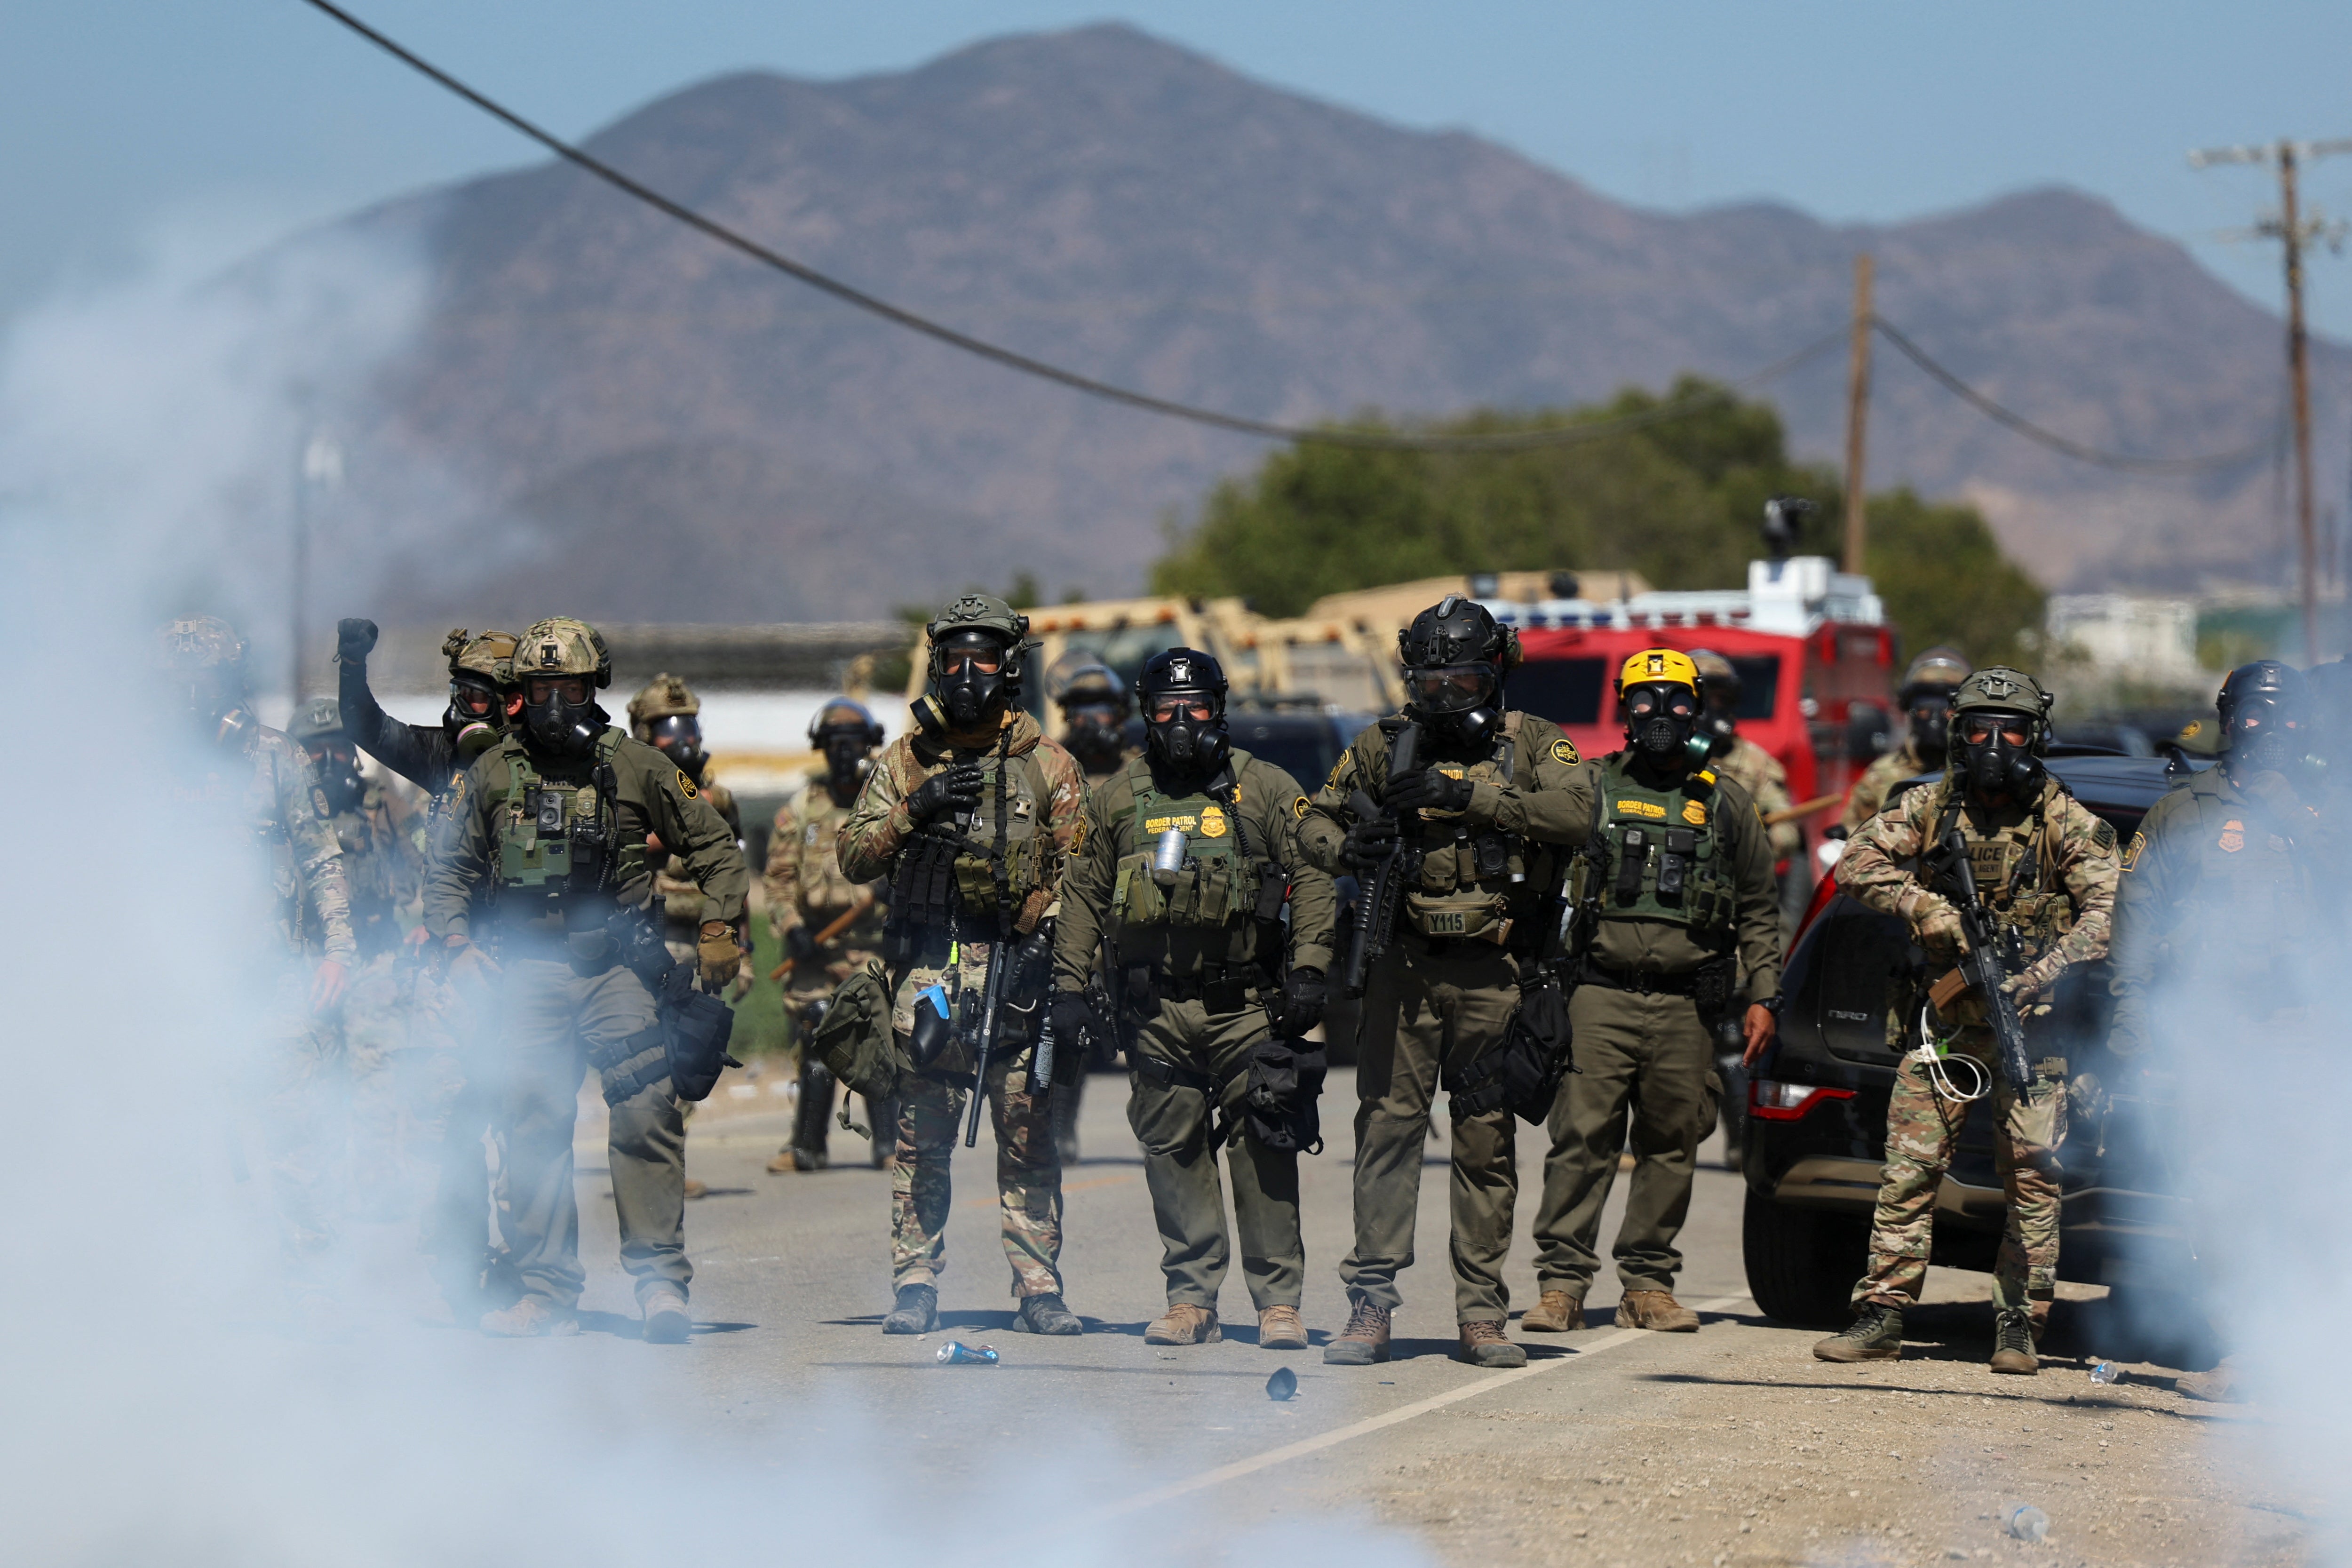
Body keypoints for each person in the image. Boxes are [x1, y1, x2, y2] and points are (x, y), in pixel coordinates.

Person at [424, 618, 749, 1341]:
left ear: (592, 687)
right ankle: (547, 1293)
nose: (554, 704)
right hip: (527, 974)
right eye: (540, 689)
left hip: (616, 969)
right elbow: (446, 868)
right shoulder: (490, 773)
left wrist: (720, 928)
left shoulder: (637, 765)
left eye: (568, 687)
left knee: (645, 1112)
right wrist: (455, 943)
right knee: (531, 1124)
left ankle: (661, 1283)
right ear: (520, 695)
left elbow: (718, 848)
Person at [1296, 597, 1590, 1369]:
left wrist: (1472, 796)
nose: (1448, 696)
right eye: (1432, 682)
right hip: (1404, 970)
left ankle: (1481, 1312)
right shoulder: (1380, 746)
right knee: (1386, 1133)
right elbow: (1311, 823)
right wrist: (1353, 846)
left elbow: (1577, 815)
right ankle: (1371, 1304)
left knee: (1485, 1145)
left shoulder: (1533, 744)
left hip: (1496, 973)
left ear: (1494, 673)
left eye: (1463, 679)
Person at [1808, 667, 2117, 1375]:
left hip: (2032, 1029)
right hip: (1945, 1023)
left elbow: (2105, 918)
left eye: (2010, 730)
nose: (1994, 743)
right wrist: (1928, 909)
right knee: (1910, 1171)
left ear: (2034, 737)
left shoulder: (2061, 818)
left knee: (2034, 1177)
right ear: (1958, 732)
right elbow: (1855, 861)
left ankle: (2019, 1324)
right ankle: (1882, 1314)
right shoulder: (1932, 807)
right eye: (1980, 728)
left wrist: (2038, 971)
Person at [1051, 649, 1336, 1349]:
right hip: (1156, 1013)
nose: (1183, 722)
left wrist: (1308, 970)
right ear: (1145, 714)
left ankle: (1278, 1304)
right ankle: (1191, 1300)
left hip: (1248, 1006)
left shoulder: (1264, 788)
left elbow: (1317, 874)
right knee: (1171, 1152)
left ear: (1221, 708)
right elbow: (1084, 893)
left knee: (1264, 1150)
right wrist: (1067, 986)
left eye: (1198, 706)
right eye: (1168, 709)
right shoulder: (1116, 797)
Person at [839, 594, 1087, 1337]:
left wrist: (1048, 937)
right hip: (930, 980)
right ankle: (915, 1283)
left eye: (984, 658)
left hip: (1019, 979)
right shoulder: (905, 761)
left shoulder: (1048, 765)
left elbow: (1085, 872)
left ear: (1010, 668)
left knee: (1029, 1140)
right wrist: (915, 808)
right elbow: (853, 856)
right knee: (920, 1141)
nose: (968, 673)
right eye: (954, 660)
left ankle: (1039, 1287)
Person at [1525, 650, 1782, 1338]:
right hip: (1599, 996)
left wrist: (1765, 992)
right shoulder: (1591, 788)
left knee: (1673, 1140)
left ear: (1697, 710)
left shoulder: (1726, 800)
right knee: (1581, 1137)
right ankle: (1561, 1286)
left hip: (1688, 1003)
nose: (1660, 715)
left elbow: (1760, 904)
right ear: (1623, 709)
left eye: (1675, 701)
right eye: (1644, 701)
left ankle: (1647, 1283)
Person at [2107, 661, 2330, 1402]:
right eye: (2254, 715)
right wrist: (2132, 1019)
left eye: (2286, 715)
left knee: (2309, 1191)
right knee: (2218, 1190)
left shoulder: (2331, 810)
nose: (2269, 731)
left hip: (2311, 1035)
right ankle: (2244, 1350)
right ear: (2230, 721)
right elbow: (2137, 917)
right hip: (2214, 1033)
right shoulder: (2184, 811)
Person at [159, 618, 355, 1310]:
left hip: (273, 980)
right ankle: (202, 1284)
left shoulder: (277, 758)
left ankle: (316, 1285)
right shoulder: (153, 763)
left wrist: (337, 952)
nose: (189, 694)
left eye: (201, 680)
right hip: (182, 988)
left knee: (293, 1139)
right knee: (188, 1139)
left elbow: (320, 857)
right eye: (177, 681)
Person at [335, 619, 521, 1309]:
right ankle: (462, 1264)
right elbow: (367, 725)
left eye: (489, 701)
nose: (472, 713)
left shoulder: (549, 765)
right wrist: (352, 662)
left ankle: (531, 1271)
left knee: (525, 1126)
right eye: (464, 697)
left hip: (525, 971)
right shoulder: (443, 756)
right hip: (452, 970)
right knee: (450, 1125)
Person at [287, 698, 439, 1215]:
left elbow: (431, 861)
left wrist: (428, 922)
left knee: (376, 1081)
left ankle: (376, 1196)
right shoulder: (285, 813)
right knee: (311, 1083)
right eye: (315, 751)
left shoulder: (382, 805)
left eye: (336, 748)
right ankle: (321, 1198)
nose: (327, 760)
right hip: (309, 966)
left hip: (374, 963)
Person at [765, 698, 893, 1173]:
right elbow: (777, 882)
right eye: (834, 744)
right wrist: (792, 928)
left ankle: (889, 1146)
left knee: (874, 1040)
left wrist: (894, 885)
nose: (844, 753)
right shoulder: (800, 811)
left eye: (853, 743)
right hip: (816, 949)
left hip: (872, 948)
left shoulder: (886, 803)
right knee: (819, 1036)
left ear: (868, 745)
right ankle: (806, 1147)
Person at [1047, 660, 1140, 1163]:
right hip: (1074, 917)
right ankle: (1061, 1131)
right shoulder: (1055, 771)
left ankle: (1162, 1132)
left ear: (1120, 713)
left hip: (1136, 918)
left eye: (1100, 710)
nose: (1089, 722)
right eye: (1077, 712)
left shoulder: (1143, 769)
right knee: (1071, 1028)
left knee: (1149, 1028)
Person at [1838, 647, 1971, 835]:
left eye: (1949, 707)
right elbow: (1855, 833)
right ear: (1910, 709)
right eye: (1925, 708)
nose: (1936, 717)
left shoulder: (1978, 774)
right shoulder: (1881, 776)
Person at [1690, 649, 1800, 863]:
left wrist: (1755, 842)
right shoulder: (1663, 755)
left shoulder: (1757, 762)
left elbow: (1787, 828)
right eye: (1701, 698)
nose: (1709, 709)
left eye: (1719, 699)